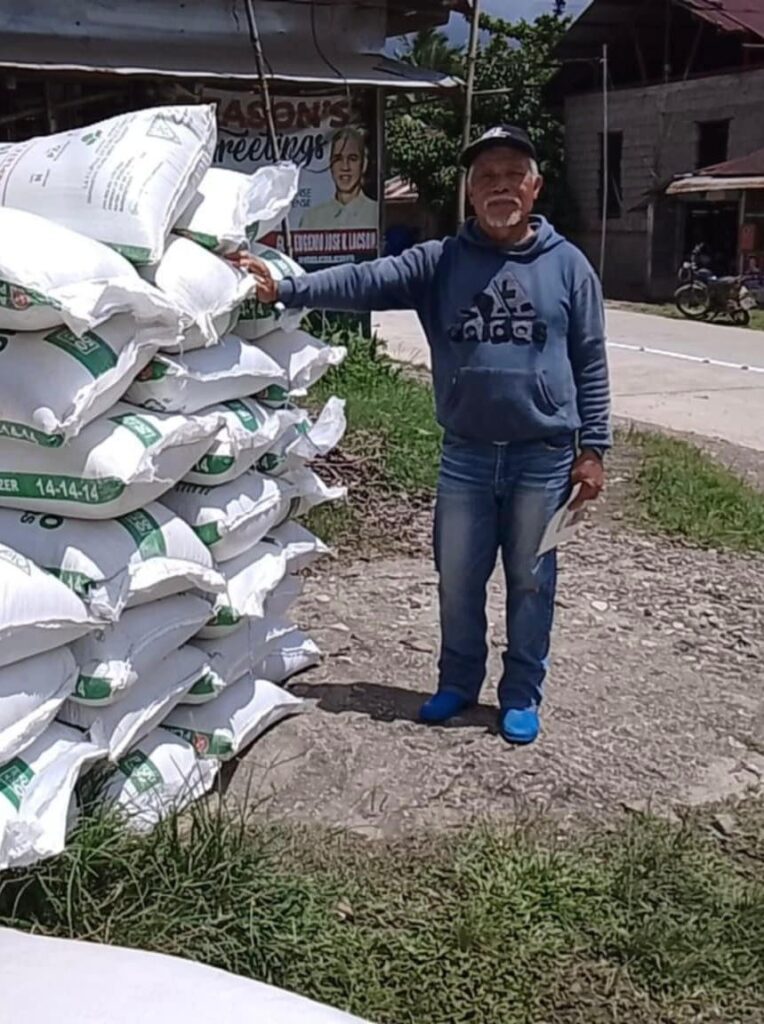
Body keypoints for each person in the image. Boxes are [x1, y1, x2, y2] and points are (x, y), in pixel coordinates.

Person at [235, 125, 611, 747]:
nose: (500, 187)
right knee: (457, 580)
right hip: (464, 456)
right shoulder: (440, 262)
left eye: (512, 174)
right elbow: (363, 279)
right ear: (469, 192)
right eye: (486, 177)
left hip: (542, 460)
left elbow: (591, 362)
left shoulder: (568, 267)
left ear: (535, 186)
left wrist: (593, 450)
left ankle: (520, 694)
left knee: (532, 580)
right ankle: (458, 683)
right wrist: (288, 289)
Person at [299, 126, 378, 231]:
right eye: (338, 159)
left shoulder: (376, 214)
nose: (345, 167)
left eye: (352, 158)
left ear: (364, 165)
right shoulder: (311, 219)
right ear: (330, 165)